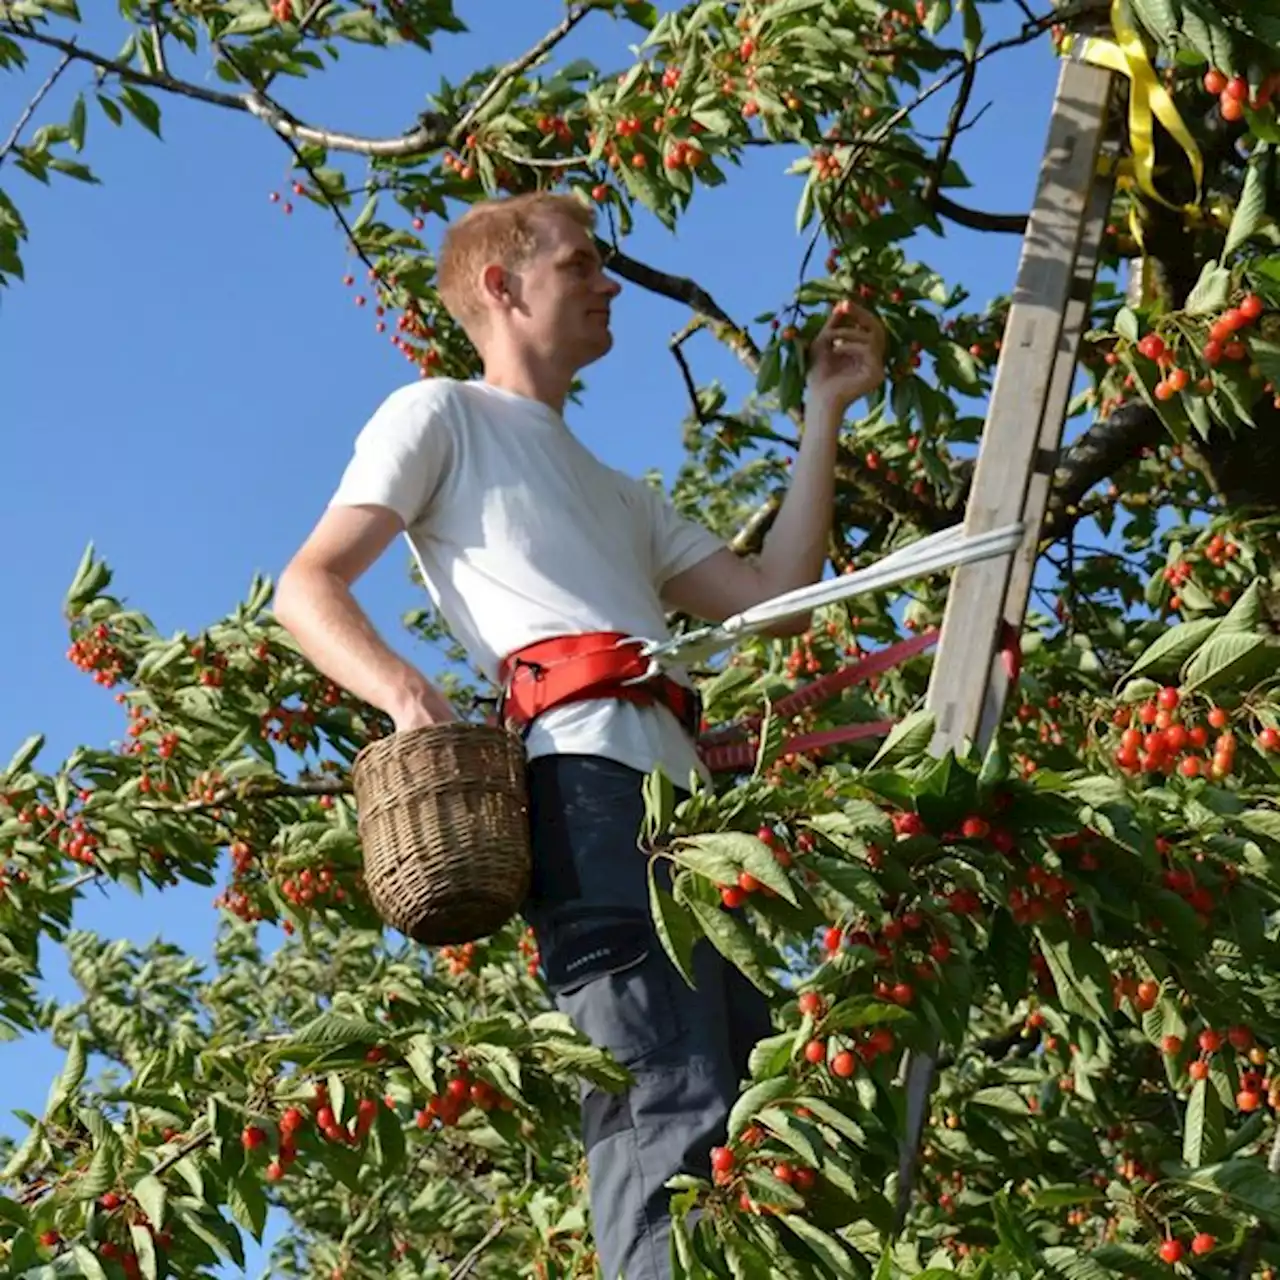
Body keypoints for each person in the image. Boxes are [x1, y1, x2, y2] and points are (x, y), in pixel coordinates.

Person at [273, 191, 887, 1278]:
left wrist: (822, 416)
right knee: (668, 1097)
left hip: (692, 812)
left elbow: (776, 594)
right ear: (502, 288)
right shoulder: (437, 415)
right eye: (580, 263)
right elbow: (307, 583)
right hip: (585, 791)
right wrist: (409, 697)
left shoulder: (618, 491)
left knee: (753, 1114)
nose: (609, 283)